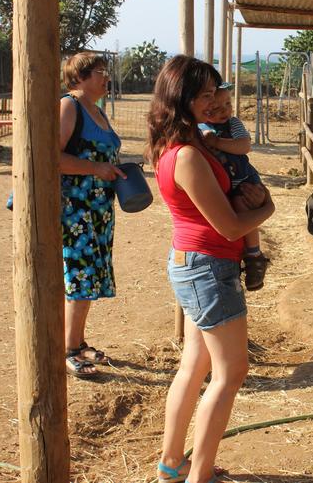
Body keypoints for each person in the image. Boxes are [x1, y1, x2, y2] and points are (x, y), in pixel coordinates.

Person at [147, 56, 274, 483]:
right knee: (231, 372)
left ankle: (172, 463)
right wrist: (268, 207)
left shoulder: (190, 147)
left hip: (197, 265)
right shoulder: (187, 156)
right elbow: (230, 225)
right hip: (208, 267)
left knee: (195, 366)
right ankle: (198, 475)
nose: (217, 99)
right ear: (182, 102)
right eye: (205, 94)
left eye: (218, 90)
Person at [60, 52, 126, 379]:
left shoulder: (97, 111)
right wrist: (95, 168)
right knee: (79, 277)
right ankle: (68, 350)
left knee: (89, 277)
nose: (106, 77)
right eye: (100, 72)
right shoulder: (69, 106)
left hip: (98, 210)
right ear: (79, 77)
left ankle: (77, 341)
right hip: (75, 209)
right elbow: (51, 157)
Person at [198, 84, 269, 291]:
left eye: (228, 104)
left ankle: (255, 255)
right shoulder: (200, 129)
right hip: (223, 185)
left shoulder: (234, 124)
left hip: (243, 179)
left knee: (241, 206)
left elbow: (244, 146)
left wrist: (217, 142)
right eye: (217, 107)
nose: (224, 110)